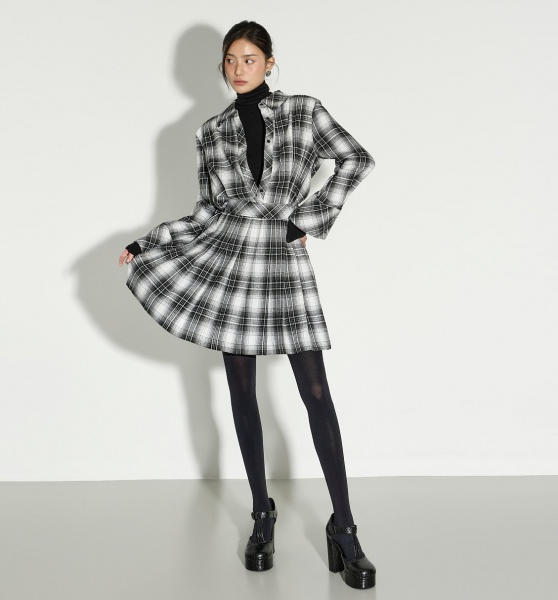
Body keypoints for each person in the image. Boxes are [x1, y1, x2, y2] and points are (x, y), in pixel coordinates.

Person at [118, 20, 376, 589]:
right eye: (231, 60)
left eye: (250, 59)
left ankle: (345, 527)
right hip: (232, 261)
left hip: (283, 259)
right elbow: (206, 212)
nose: (238, 69)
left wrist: (307, 220)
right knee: (241, 393)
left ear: (269, 62)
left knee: (316, 394)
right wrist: (148, 242)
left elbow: (355, 159)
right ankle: (263, 514)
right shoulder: (210, 132)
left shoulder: (304, 111)